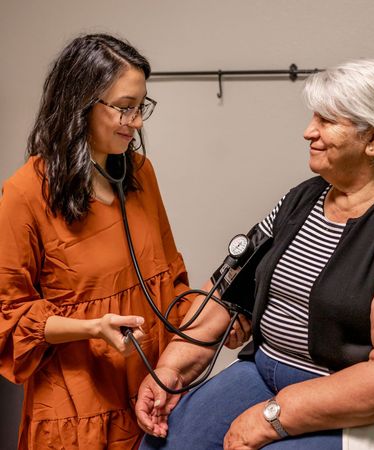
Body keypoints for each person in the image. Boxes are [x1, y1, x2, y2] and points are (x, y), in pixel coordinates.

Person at [136, 59, 374, 450]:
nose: (308, 132)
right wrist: (169, 371)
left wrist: (272, 417)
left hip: (352, 405)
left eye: (327, 121)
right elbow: (225, 290)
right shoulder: (300, 199)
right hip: (262, 372)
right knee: (166, 443)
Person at [0, 33, 248, 449]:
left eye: (140, 107)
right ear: (80, 105)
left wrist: (215, 324)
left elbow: (168, 286)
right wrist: (92, 327)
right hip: (77, 409)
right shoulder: (26, 193)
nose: (137, 122)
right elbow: (8, 316)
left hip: (150, 392)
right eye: (124, 108)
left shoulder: (139, 174)